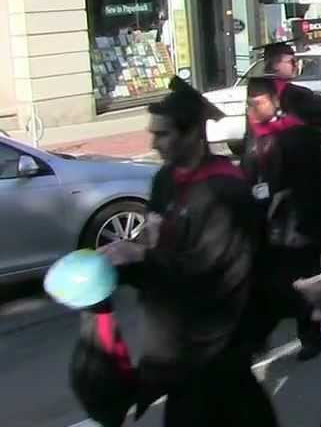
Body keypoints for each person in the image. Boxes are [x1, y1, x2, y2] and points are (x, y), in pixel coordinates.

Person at [99, 78, 276, 427]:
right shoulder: (165, 179)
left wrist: (143, 258)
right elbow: (156, 244)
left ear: (193, 133)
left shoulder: (225, 189)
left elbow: (213, 272)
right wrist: (125, 257)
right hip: (178, 341)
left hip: (217, 343)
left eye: (163, 134)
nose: (154, 143)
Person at [242, 76, 321, 362]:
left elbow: (313, 185)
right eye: (249, 104)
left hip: (297, 223)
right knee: (265, 282)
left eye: (258, 103)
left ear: (274, 101)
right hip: (267, 224)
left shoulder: (297, 134)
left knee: (302, 283)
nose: (253, 110)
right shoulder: (255, 135)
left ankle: (311, 337)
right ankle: (258, 336)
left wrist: (313, 224)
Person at [259, 41, 321, 162]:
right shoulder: (293, 94)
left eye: (297, 62)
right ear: (275, 65)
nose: (296, 66)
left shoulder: (260, 92)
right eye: (291, 62)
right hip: (297, 160)